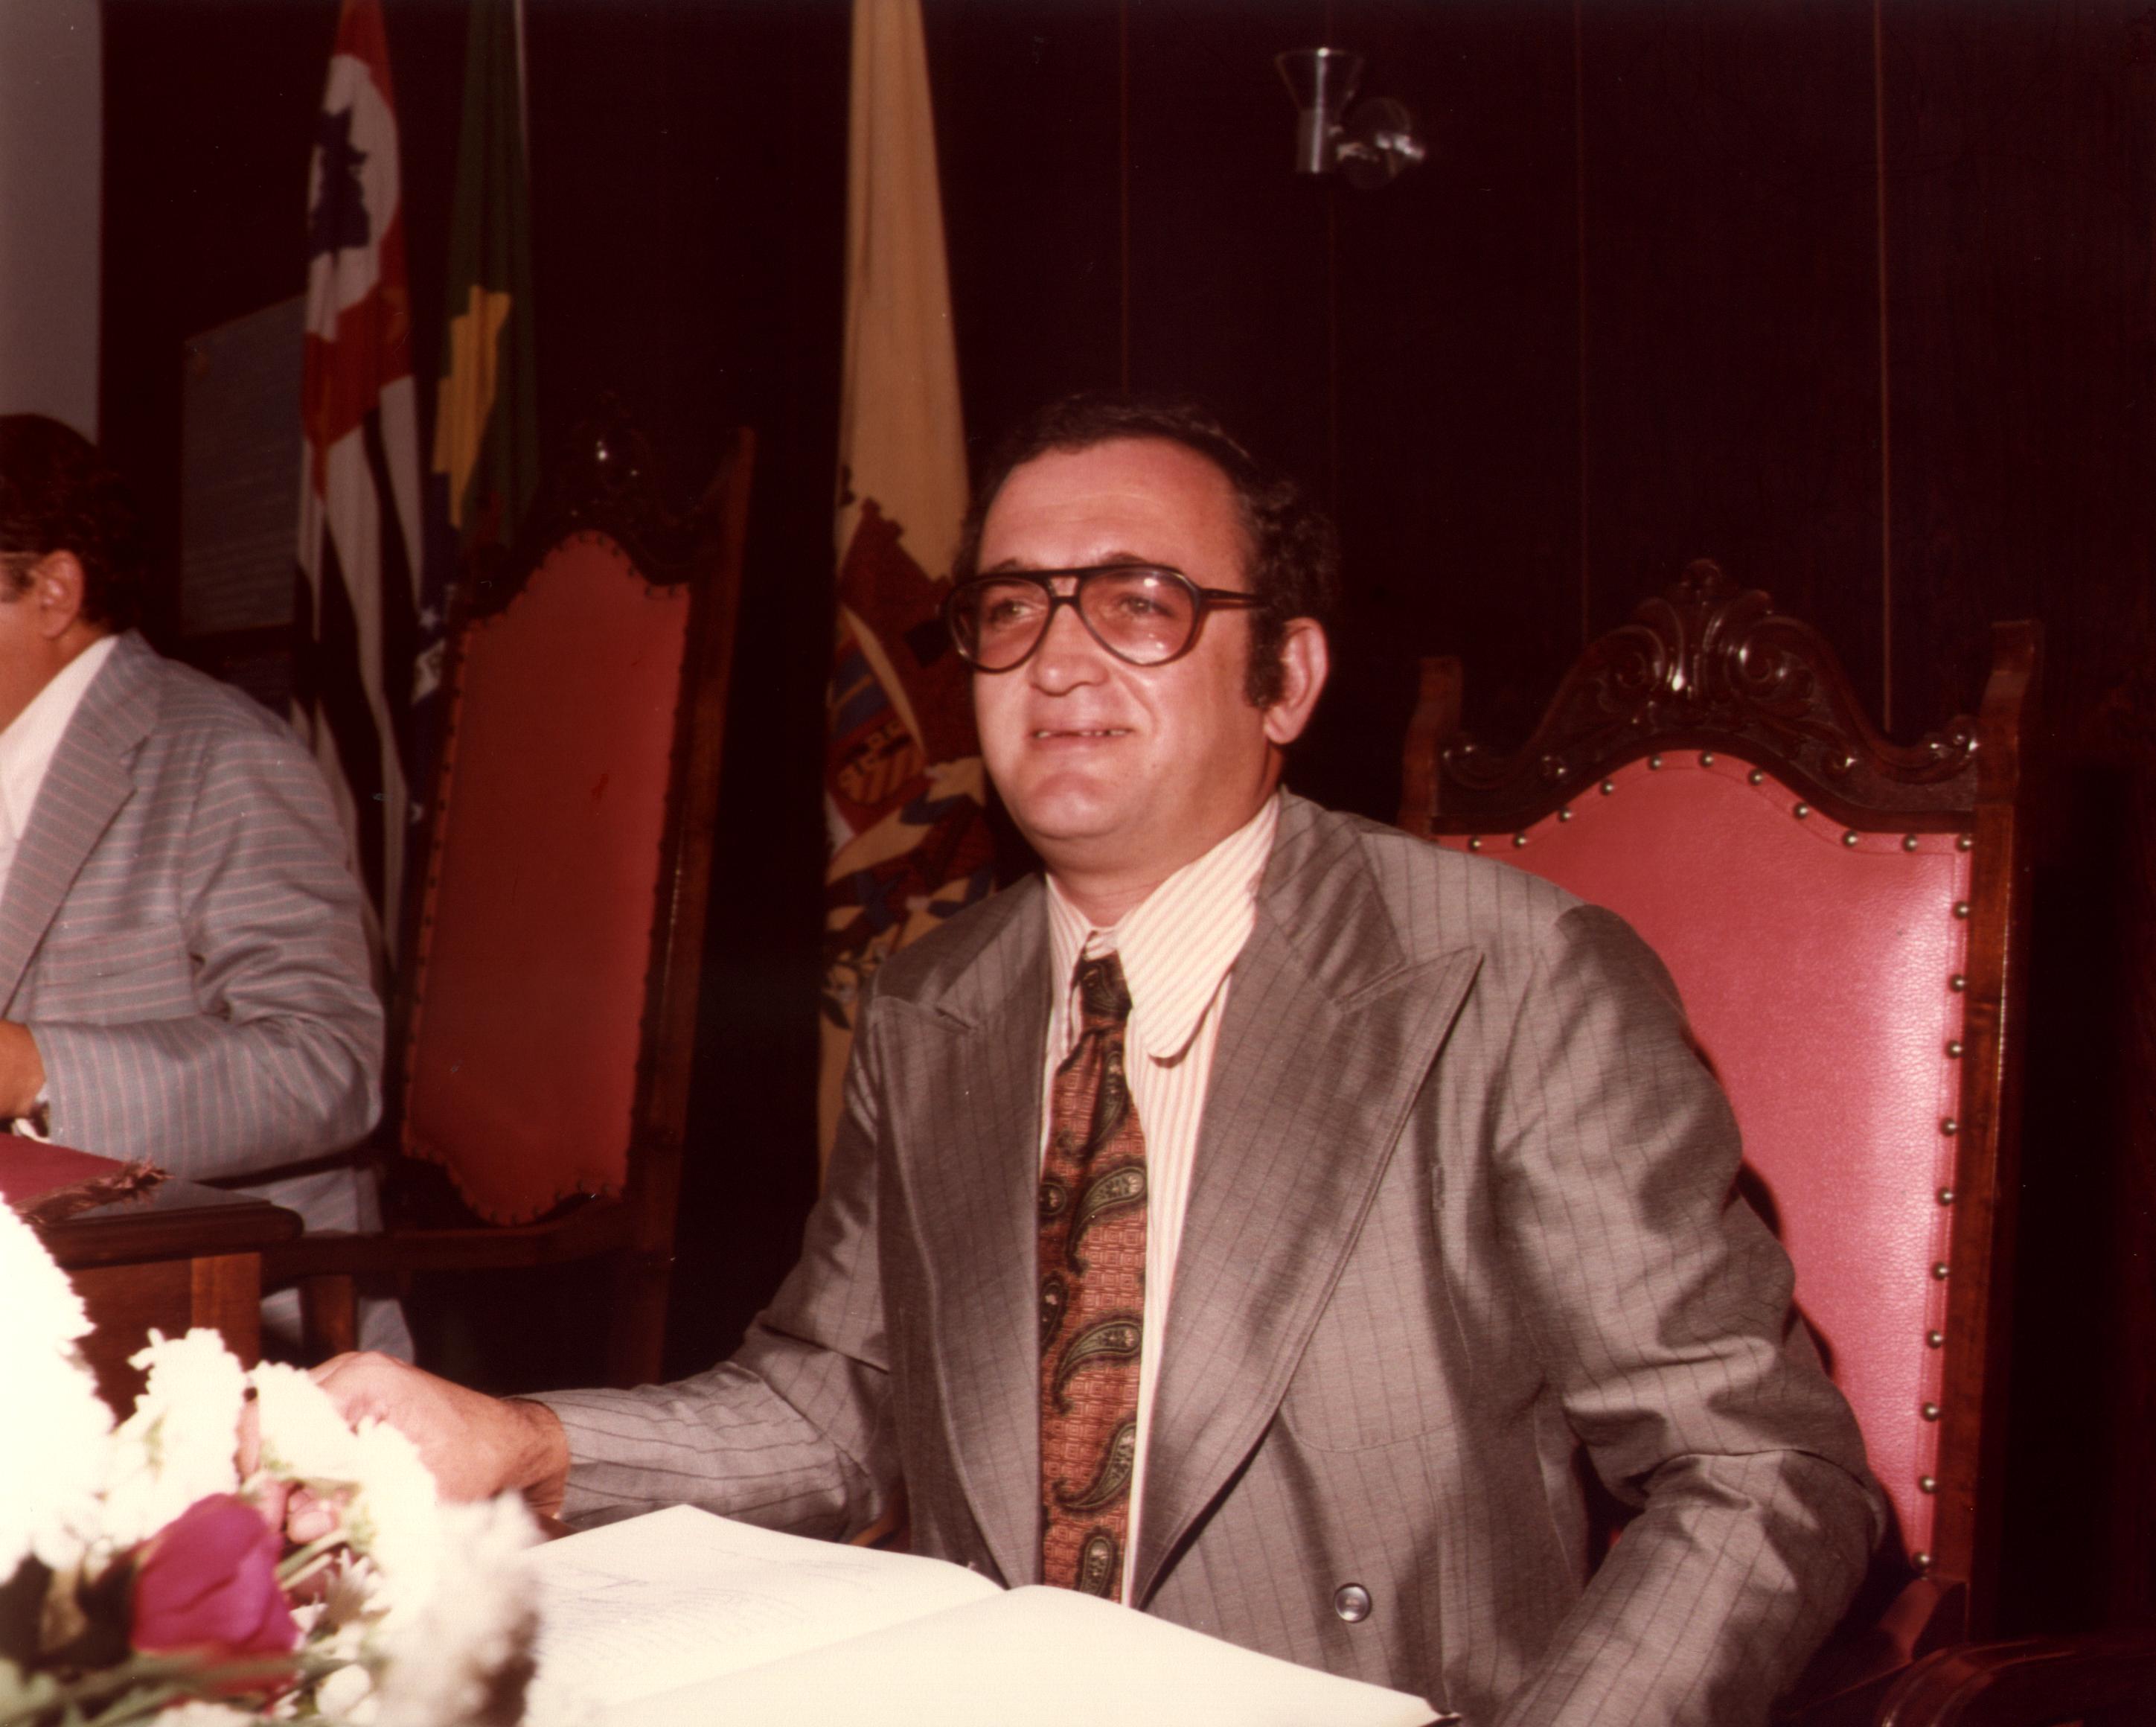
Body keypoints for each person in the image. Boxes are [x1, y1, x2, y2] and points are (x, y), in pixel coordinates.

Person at [316, 395, 1881, 1723]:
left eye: (1137, 603)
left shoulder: (1510, 977)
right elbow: (838, 1401)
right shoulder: (933, 1003)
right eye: (1010, 609)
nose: (1055, 663)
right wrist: (523, 1442)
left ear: (1287, 678)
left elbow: (1758, 1468)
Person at [0, 415, 401, 1356]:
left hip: (214, 1318)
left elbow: (328, 1063)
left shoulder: (220, 755)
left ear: (53, 591)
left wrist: (33, 1073)